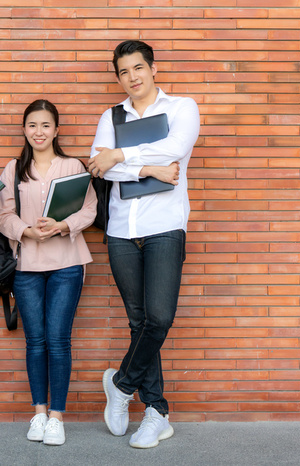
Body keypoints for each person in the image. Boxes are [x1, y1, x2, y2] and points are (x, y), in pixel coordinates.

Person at [88, 40, 200, 449]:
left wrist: (120, 155)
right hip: (120, 231)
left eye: (138, 68)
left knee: (159, 317)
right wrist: (147, 166)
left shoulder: (181, 108)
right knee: (139, 323)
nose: (132, 77)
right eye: (123, 72)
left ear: (153, 69)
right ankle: (156, 411)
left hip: (165, 226)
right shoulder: (110, 115)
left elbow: (176, 151)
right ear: (118, 77)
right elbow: (99, 166)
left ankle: (120, 384)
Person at [0, 99, 97, 446]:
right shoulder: (13, 169)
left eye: (46, 125)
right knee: (35, 341)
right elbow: (2, 214)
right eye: (32, 125)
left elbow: (90, 209)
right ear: (24, 129)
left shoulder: (72, 166)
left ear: (56, 129)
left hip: (67, 263)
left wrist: (62, 225)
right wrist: (26, 231)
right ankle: (38, 413)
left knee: (58, 340)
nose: (39, 132)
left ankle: (57, 417)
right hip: (26, 267)